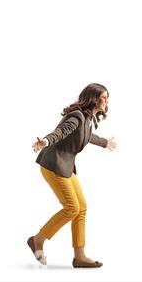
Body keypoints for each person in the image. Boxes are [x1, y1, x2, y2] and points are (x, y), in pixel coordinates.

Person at [29, 83, 116, 268]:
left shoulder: (86, 118)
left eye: (107, 97)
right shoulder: (77, 116)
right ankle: (38, 239)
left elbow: (87, 136)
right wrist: (45, 141)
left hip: (66, 166)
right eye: (103, 97)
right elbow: (61, 132)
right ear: (93, 98)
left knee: (81, 207)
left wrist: (104, 142)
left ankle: (79, 256)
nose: (106, 101)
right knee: (72, 208)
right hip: (54, 165)